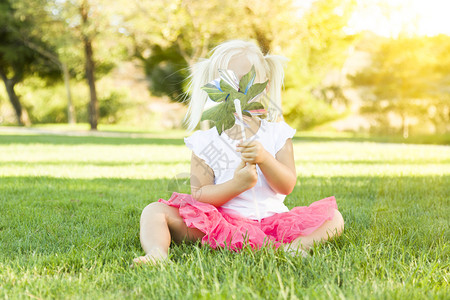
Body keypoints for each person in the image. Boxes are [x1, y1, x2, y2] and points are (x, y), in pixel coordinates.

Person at [133, 40, 344, 265]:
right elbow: (201, 194)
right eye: (226, 83)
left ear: (265, 84)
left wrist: (265, 159)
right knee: (154, 211)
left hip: (273, 222)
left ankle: (293, 247)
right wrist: (237, 185)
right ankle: (157, 253)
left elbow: (287, 185)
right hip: (223, 224)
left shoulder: (277, 133)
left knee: (334, 218)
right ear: (213, 87)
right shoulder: (205, 141)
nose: (236, 93)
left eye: (245, 83)